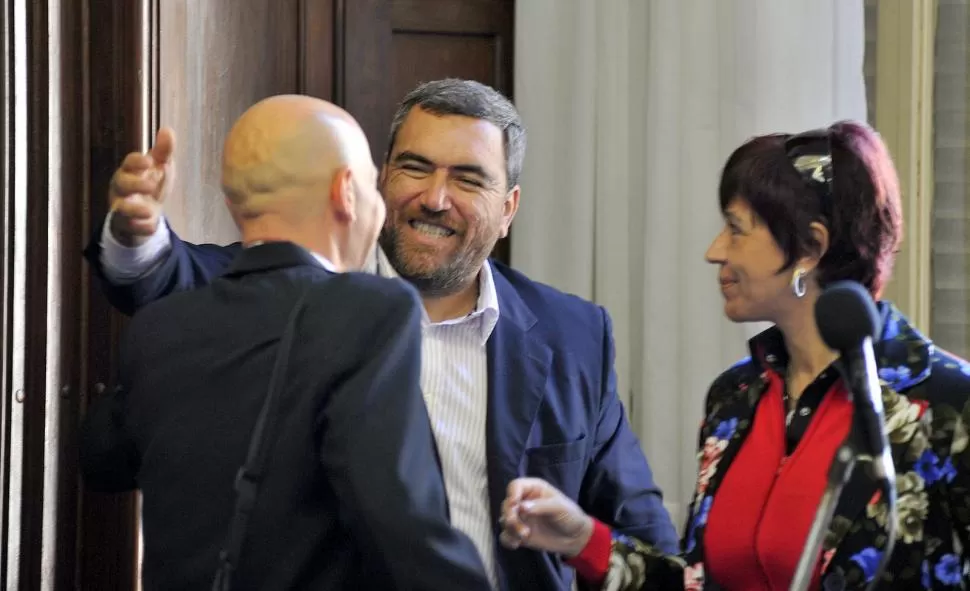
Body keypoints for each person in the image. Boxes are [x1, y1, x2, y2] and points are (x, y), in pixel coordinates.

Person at [81, 78, 679, 589]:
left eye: (469, 179)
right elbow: (175, 279)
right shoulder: (284, 294)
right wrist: (138, 236)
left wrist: (577, 536)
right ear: (377, 179)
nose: (435, 198)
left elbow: (648, 545)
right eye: (415, 168)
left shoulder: (573, 336)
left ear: (509, 209)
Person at [497, 121, 970, 590]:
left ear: (811, 247)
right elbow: (699, 582)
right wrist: (583, 539)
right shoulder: (735, 397)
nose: (714, 251)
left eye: (736, 229)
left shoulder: (949, 402)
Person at [79, 95, 493, 591]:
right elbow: (400, 524)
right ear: (346, 192)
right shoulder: (373, 309)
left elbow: (101, 457)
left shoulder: (160, 327)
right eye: (370, 183)